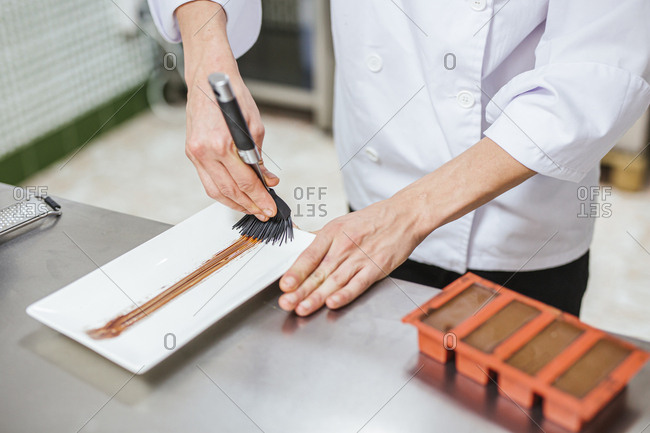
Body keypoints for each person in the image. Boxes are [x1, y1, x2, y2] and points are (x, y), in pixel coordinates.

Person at [148, 0, 650, 317]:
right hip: (371, 197)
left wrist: (407, 213)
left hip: (517, 225)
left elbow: (592, 75)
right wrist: (206, 56)